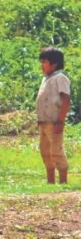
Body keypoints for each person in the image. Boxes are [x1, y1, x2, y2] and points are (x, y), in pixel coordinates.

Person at [37, 47, 70, 185]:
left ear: (54, 63)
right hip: (43, 122)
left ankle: (63, 181)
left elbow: (66, 100)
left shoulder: (60, 78)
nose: (42, 65)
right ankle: (50, 181)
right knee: (45, 151)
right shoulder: (46, 79)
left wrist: (60, 121)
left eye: (44, 62)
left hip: (54, 122)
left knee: (56, 151)